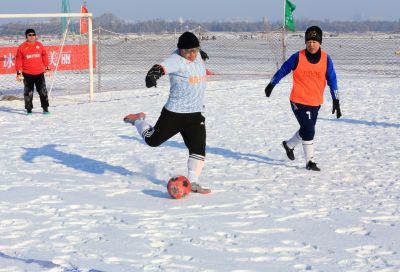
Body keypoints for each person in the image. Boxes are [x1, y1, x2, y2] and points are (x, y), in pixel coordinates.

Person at [123, 32, 210, 193]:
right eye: (187, 51)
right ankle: (138, 120)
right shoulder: (176, 60)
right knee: (152, 141)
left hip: (196, 113)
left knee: (198, 148)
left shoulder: (197, 56)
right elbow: (161, 67)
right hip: (175, 114)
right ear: (180, 50)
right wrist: (153, 75)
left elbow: (196, 56)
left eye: (195, 50)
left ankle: (194, 182)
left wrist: (200, 54)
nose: (191, 55)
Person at [264, 26, 342, 171]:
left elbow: (332, 80)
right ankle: (310, 162)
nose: (312, 44)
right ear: (305, 42)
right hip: (298, 100)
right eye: (309, 41)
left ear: (320, 43)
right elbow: (283, 70)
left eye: (315, 41)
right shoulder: (298, 57)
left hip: (315, 102)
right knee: (309, 129)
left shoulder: (326, 59)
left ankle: (289, 145)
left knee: (306, 130)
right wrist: (271, 84)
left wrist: (336, 100)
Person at [16, 28, 50, 115]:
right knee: (28, 93)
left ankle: (45, 108)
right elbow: (18, 61)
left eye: (33, 35)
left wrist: (47, 67)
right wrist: (19, 73)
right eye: (29, 35)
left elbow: (44, 56)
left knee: (43, 92)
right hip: (27, 74)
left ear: (35, 36)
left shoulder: (39, 45)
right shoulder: (22, 47)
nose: (32, 36)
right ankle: (29, 109)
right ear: (26, 37)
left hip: (39, 73)